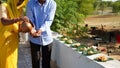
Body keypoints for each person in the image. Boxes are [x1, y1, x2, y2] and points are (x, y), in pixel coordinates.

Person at [26, 0, 57, 68]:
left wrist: (40, 30)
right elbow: (30, 19)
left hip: (47, 37)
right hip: (34, 37)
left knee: (46, 62)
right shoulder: (30, 3)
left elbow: (49, 20)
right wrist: (32, 30)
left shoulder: (52, 3)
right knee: (35, 61)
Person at [0, 0, 29, 68]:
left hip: (14, 41)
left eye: (22, 1)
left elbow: (20, 26)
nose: (20, 2)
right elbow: (3, 21)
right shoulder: (4, 6)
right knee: (5, 62)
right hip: (4, 39)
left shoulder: (20, 10)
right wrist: (17, 19)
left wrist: (27, 28)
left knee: (12, 62)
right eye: (19, 0)